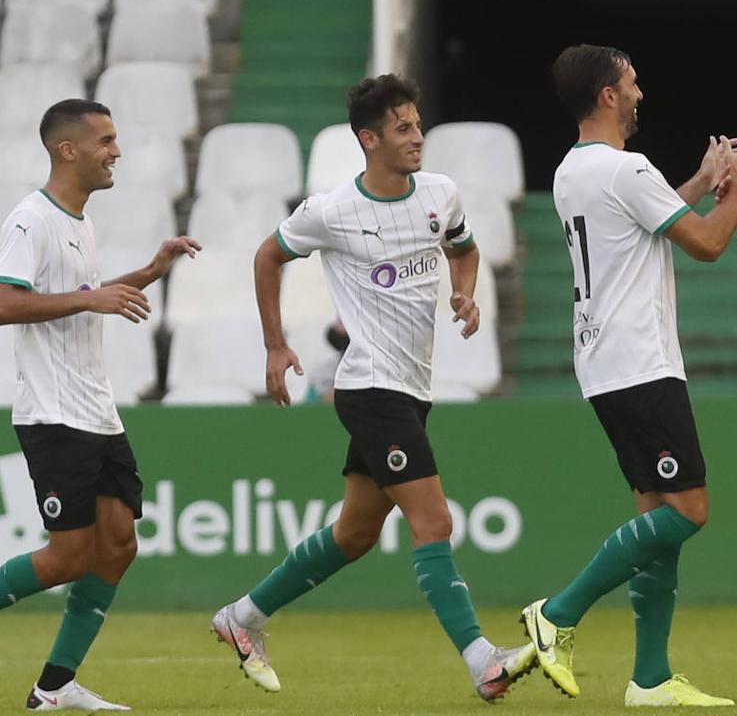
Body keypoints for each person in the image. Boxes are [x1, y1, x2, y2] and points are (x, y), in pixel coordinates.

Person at [210, 74, 535, 703]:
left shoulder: (440, 194)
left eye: (418, 125)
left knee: (354, 534)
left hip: (412, 390)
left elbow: (463, 250)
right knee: (433, 520)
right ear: (369, 139)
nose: (418, 138)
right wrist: (276, 344)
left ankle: (243, 616)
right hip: (370, 387)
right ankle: (481, 661)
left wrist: (464, 290)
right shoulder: (332, 211)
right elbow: (266, 257)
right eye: (404, 128)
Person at [520, 43, 737, 707]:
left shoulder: (573, 171)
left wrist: (699, 181)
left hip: (604, 361)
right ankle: (557, 613)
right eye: (632, 83)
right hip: (640, 360)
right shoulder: (627, 168)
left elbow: (645, 224)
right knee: (689, 511)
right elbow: (708, 244)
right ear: (608, 95)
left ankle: (651, 679)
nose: (640, 93)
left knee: (656, 521)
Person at [0, 98, 201, 711]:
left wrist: (149, 271)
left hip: (96, 411)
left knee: (119, 544)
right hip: (54, 414)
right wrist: (90, 301)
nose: (117, 151)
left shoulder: (78, 221)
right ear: (68, 149)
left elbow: (89, 294)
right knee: (68, 555)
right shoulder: (31, 219)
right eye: (106, 140)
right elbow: (2, 304)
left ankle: (53, 686)